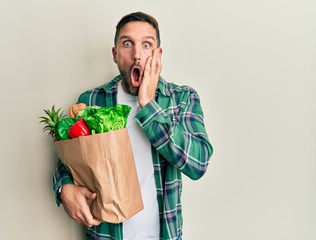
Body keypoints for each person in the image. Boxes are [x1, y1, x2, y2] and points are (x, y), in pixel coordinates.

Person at [53, 12, 213, 240]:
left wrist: (147, 104)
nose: (137, 54)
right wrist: (64, 188)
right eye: (127, 43)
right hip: (105, 234)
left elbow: (198, 163)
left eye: (146, 44)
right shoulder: (91, 101)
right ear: (115, 54)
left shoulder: (182, 98)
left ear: (158, 54)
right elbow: (69, 163)